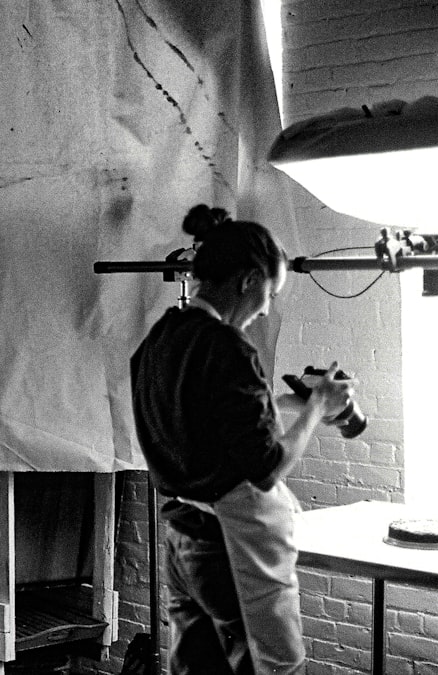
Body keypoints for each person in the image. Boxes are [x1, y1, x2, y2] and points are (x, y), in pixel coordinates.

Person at [129, 204, 356, 675]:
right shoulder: (228, 346)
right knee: (272, 667)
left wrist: (289, 404)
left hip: (182, 542)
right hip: (227, 550)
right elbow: (266, 466)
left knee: (197, 670)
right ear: (248, 281)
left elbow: (206, 419)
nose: (266, 308)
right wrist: (318, 407)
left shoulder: (160, 339)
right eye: (270, 292)